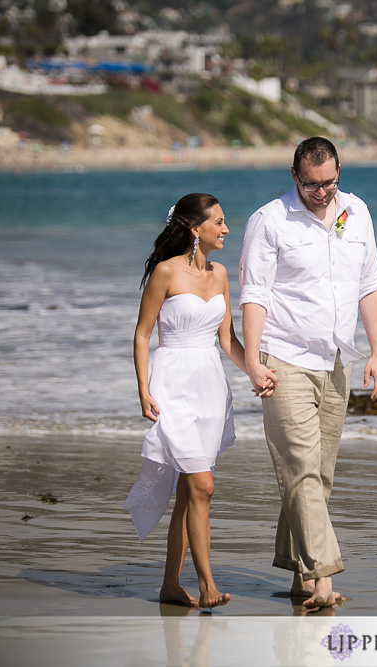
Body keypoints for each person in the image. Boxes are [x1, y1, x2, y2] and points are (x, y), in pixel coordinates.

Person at [239, 137, 377, 610]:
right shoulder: (269, 221)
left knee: (318, 476)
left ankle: (300, 571)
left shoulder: (357, 212)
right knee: (300, 470)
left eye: (330, 183)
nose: (322, 193)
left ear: (339, 171)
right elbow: (254, 294)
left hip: (338, 360)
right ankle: (323, 580)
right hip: (284, 360)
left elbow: (370, 284)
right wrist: (252, 360)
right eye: (311, 185)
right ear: (294, 177)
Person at [124, 192, 261, 609]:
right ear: (192, 227)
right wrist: (144, 389)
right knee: (204, 486)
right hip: (172, 385)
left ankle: (169, 585)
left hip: (210, 389)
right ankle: (206, 585)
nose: (225, 229)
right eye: (218, 222)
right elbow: (143, 334)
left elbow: (227, 341)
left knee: (189, 495)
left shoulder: (219, 274)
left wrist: (256, 372)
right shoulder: (165, 273)